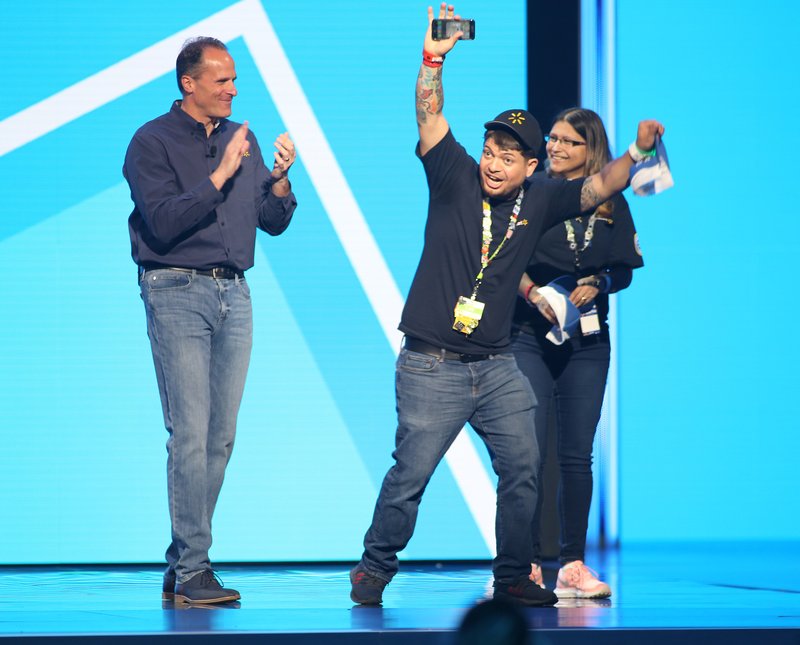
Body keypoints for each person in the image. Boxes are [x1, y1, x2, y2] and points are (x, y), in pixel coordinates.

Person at [348, 3, 664, 607]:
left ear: (529, 166)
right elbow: (429, 111)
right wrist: (433, 59)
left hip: (494, 366)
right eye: (490, 149)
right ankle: (374, 567)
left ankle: (515, 574)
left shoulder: (540, 200)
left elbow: (603, 185)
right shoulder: (452, 174)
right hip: (432, 363)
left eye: (507, 155)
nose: (493, 162)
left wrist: (637, 150)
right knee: (409, 477)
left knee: (523, 467)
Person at [123, 36, 297, 605]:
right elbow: (167, 219)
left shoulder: (238, 140)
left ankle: (184, 566)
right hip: (175, 289)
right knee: (190, 434)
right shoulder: (151, 142)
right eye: (221, 79)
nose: (233, 89)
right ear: (187, 83)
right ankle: (195, 568)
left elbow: (270, 222)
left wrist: (279, 180)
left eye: (234, 79)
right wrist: (220, 175)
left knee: (219, 439)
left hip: (235, 294)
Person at [511, 109, 643, 599]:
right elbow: (504, 260)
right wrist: (532, 295)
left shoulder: (611, 202)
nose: (554, 148)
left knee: (576, 457)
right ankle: (521, 563)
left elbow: (625, 270)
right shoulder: (531, 194)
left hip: (588, 343)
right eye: (552, 139)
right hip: (528, 335)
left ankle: (571, 564)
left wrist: (599, 281)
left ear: (591, 151)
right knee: (526, 452)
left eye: (568, 142)